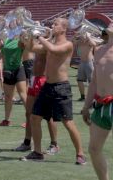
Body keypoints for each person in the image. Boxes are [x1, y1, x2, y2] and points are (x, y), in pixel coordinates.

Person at [21, 18, 85, 165]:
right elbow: (32, 49)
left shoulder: (67, 45)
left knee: (67, 122)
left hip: (61, 87)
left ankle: (80, 154)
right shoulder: (50, 43)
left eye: (55, 24)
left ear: (63, 29)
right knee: (34, 118)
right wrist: (31, 35)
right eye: (53, 24)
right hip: (47, 87)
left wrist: (41, 37)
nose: (52, 26)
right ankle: (37, 152)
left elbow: (53, 50)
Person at [13, 33, 58, 154]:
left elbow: (35, 47)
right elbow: (22, 45)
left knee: (48, 116)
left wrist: (41, 36)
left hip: (44, 80)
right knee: (28, 113)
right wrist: (23, 35)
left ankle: (54, 144)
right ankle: (27, 142)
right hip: (34, 79)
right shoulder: (38, 43)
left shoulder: (49, 44)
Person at [81, 22, 113, 180]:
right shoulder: (99, 50)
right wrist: (86, 106)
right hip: (101, 104)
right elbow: (94, 81)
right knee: (94, 149)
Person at [0, 35, 27, 126]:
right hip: (7, 70)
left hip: (18, 69)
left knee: (23, 95)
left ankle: (29, 119)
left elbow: (24, 45)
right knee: (8, 97)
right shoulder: (6, 40)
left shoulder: (20, 39)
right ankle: (7, 120)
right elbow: (1, 52)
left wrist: (22, 35)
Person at [73, 32, 97, 101]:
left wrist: (88, 36)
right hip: (82, 63)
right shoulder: (79, 42)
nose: (81, 36)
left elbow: (94, 44)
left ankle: (93, 98)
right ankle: (82, 96)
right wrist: (75, 35)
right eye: (81, 35)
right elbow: (73, 42)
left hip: (89, 63)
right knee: (79, 80)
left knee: (91, 82)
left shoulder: (89, 42)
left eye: (83, 35)